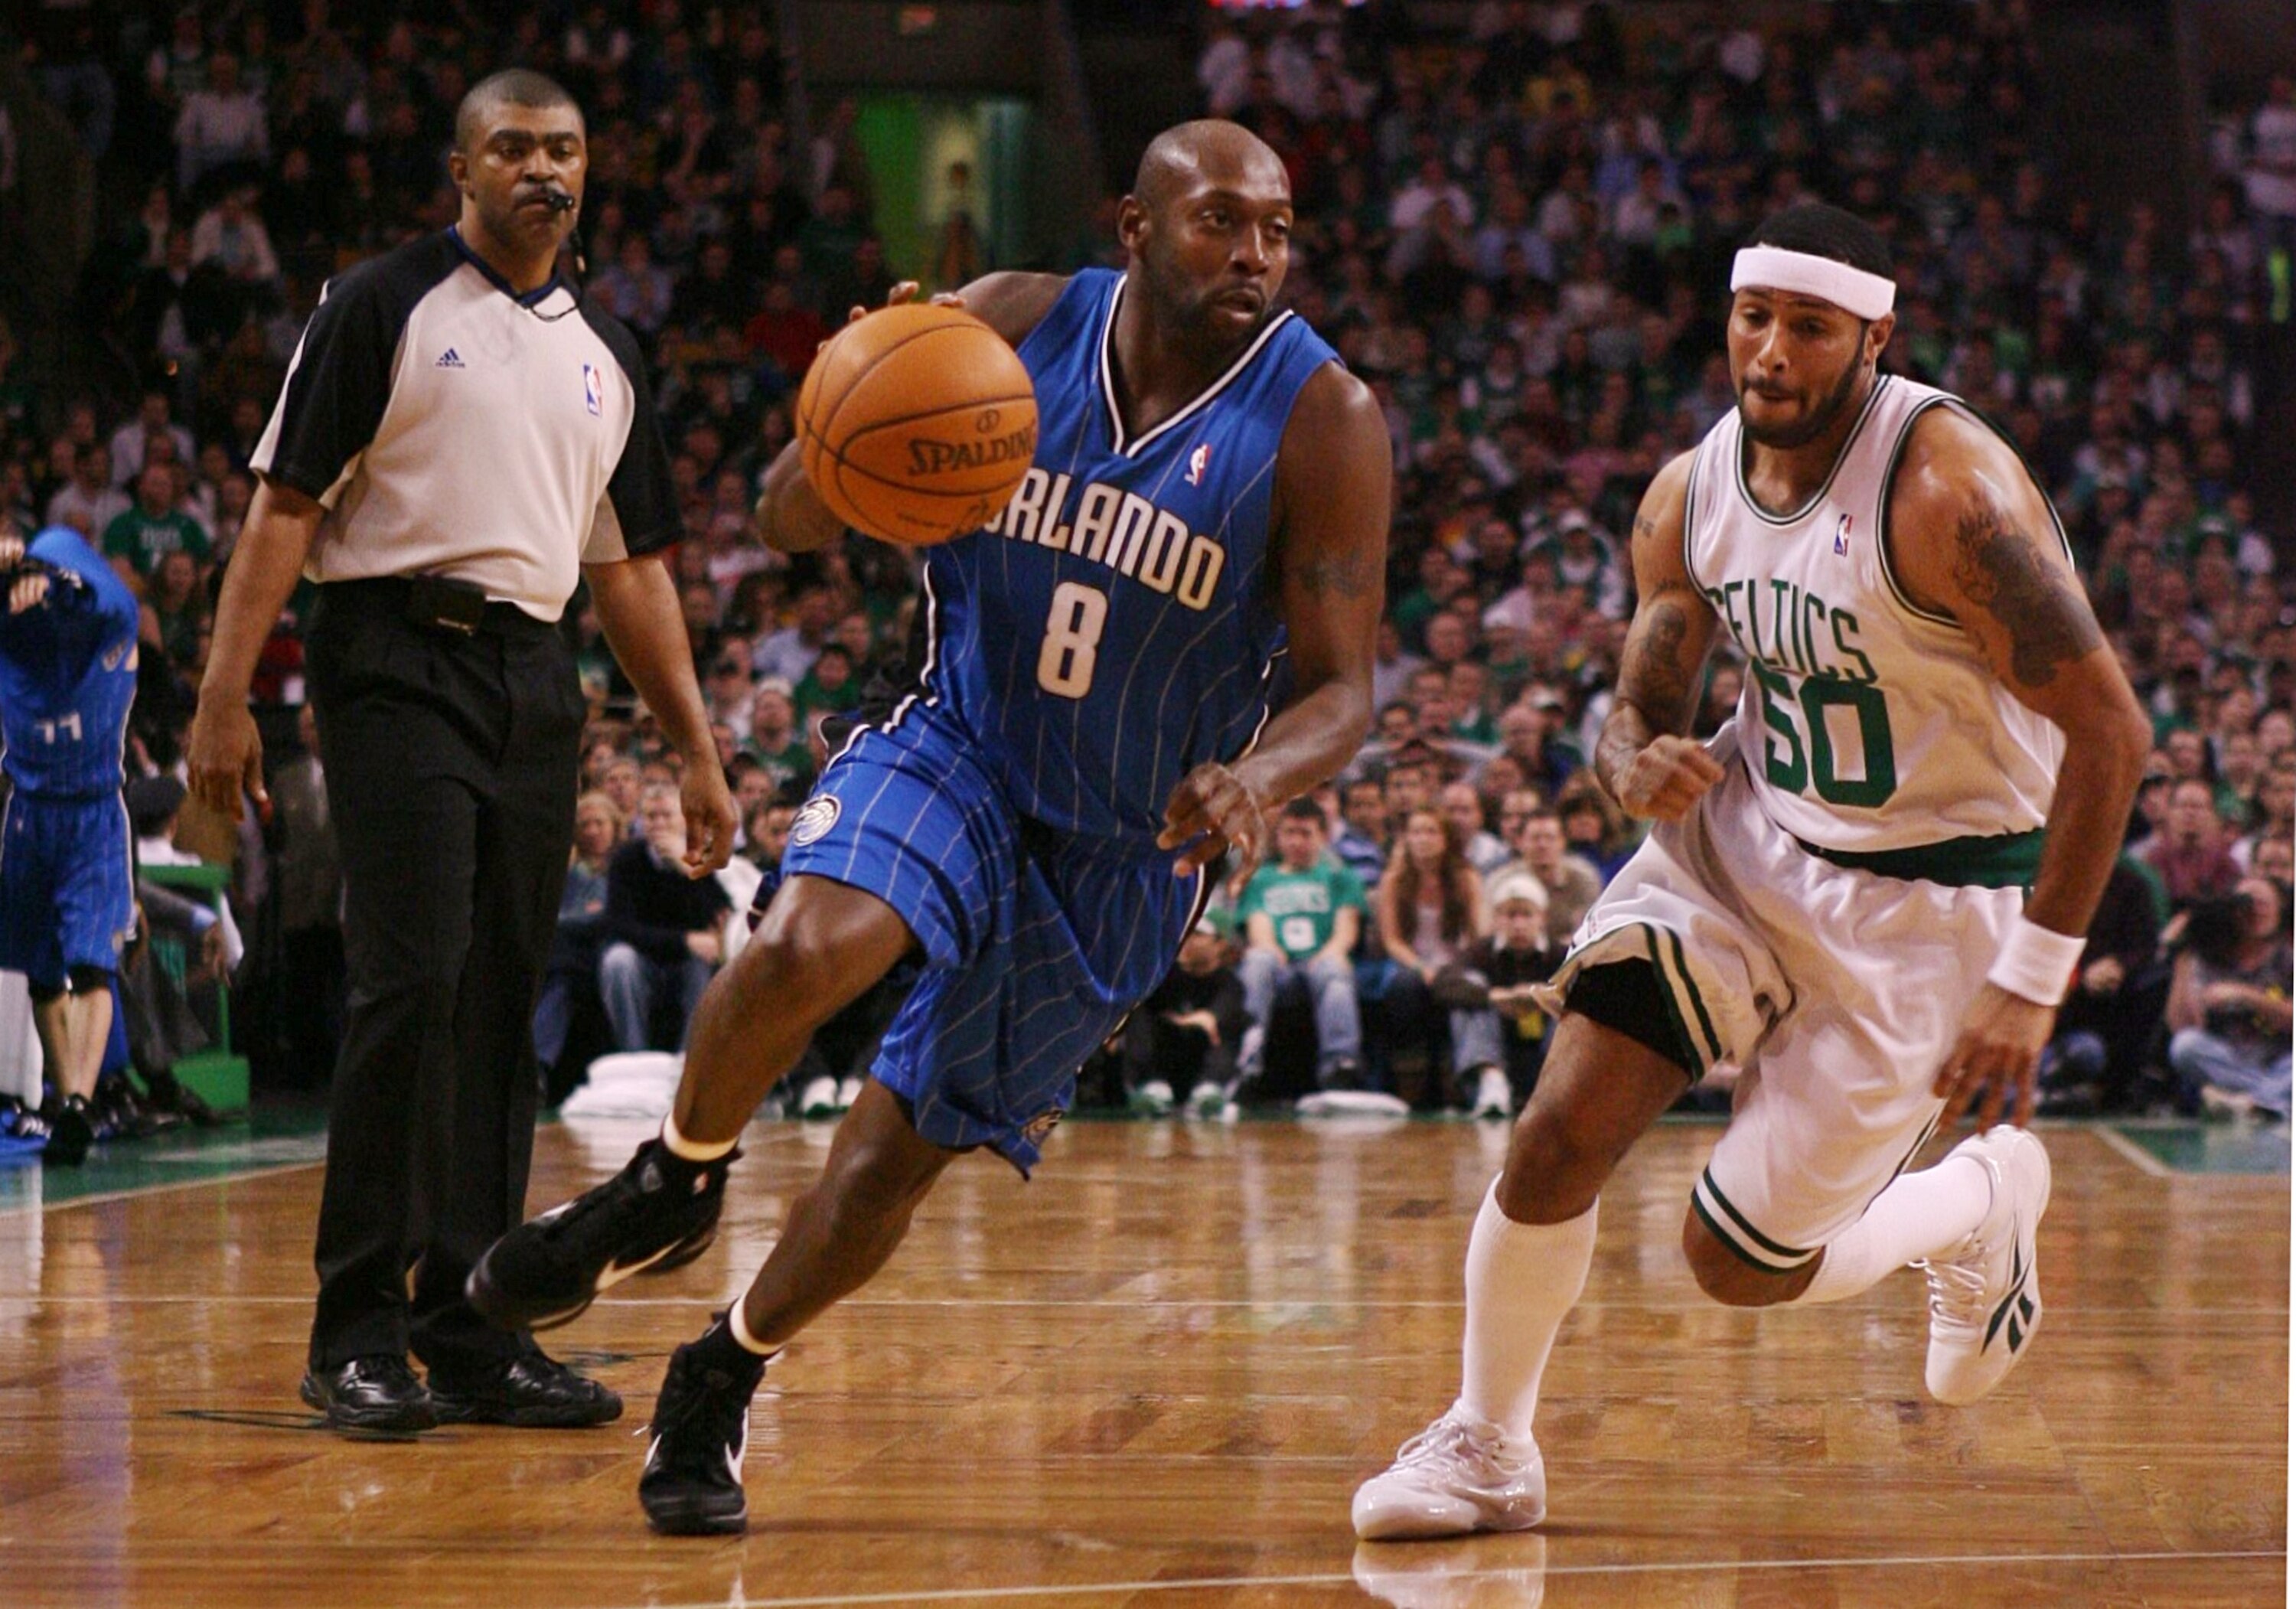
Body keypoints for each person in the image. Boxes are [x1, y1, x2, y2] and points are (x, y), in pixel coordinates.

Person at [467, 118, 1388, 1535]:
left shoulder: (1324, 418)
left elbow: (1345, 690)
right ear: (1134, 228)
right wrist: (856, 389)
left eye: (1277, 230)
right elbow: (785, 518)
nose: (1255, 255)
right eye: (1220, 221)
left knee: (888, 1160)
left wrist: (1261, 776)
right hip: (960, 738)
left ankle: (724, 1366)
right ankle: (674, 1178)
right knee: (801, 946)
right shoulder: (1010, 321)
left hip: (1128, 846)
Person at [1352, 202, 2150, 1540]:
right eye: (1754, 318)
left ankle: (1978, 1201)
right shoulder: (1693, 490)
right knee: (1559, 1128)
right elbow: (1649, 674)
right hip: (1746, 840)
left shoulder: (1948, 494)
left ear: (1876, 337)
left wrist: (2030, 982)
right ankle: (1487, 1443)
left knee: (1738, 1263)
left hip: (1931, 899)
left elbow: (2113, 735)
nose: (1773, 351)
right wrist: (1628, 754)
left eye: (1811, 327)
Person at [184, 70, 735, 1436]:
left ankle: (474, 1329)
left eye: (567, 150)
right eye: (515, 147)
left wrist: (696, 749)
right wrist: (222, 697)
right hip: (393, 656)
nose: (545, 169)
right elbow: (282, 509)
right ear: (463, 168)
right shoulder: (383, 303)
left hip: (535, 674)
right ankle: (355, 1329)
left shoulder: (609, 348)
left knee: (499, 998)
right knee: (413, 978)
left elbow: (632, 572)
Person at [0, 527, 141, 1164]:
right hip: (29, 814)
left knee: (91, 963)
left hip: (92, 812)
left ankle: (81, 1100)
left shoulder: (110, 622)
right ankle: (67, 1100)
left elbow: (102, 594)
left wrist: (44, 572)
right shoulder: (14, 636)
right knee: (40, 971)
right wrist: (10, 565)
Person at [1236, 797, 1371, 1099]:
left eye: (1305, 833)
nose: (1296, 842)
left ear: (1323, 836)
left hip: (1321, 961)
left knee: (1334, 968)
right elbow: (1258, 929)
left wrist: (1327, 955)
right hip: (1279, 965)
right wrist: (1273, 951)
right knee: (1257, 962)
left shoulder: (1341, 878)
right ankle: (1246, 1062)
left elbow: (1346, 930)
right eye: (1289, 833)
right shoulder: (1261, 879)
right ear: (1278, 836)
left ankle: (1341, 1064)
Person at [1375, 807, 1500, 1112]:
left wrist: (1453, 967)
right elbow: (1392, 940)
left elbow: (1479, 935)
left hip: (1457, 964)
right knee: (1405, 987)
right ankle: (1412, 1080)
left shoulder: (1466, 878)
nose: (1423, 839)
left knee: (1471, 988)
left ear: (1445, 839)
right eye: (1416, 832)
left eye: (1431, 831)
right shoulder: (1393, 881)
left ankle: (1470, 1080)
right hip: (1410, 962)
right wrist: (1422, 968)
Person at [598, 782, 732, 1052]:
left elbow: (719, 914)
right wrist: (684, 940)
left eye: (666, 816)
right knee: (618, 961)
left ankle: (689, 1058)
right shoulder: (626, 859)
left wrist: (688, 871)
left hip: (689, 960)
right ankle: (634, 1056)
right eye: (651, 816)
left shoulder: (706, 856)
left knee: (703, 961)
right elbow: (620, 925)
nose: (659, 823)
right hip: (643, 956)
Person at [2163, 880, 2292, 1120]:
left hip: (2281, 1059)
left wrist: (2246, 996)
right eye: (2246, 904)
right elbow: (2183, 1026)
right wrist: (2183, 952)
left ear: (2280, 910)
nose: (2255, 911)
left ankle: (2248, 1103)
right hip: (2229, 1060)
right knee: (2185, 1045)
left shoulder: (2287, 957)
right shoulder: (2211, 956)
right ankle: (2268, 1101)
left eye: (2263, 904)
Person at [1122, 915, 1249, 1117]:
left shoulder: (1230, 983)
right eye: (1186, 934)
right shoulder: (1165, 976)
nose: (1188, 941)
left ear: (1220, 944)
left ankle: (1211, 1089)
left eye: (1198, 935)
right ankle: (1151, 1085)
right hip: (1168, 1059)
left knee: (1230, 1027)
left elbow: (1209, 1020)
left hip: (1206, 1061)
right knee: (1139, 1011)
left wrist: (1183, 1020)